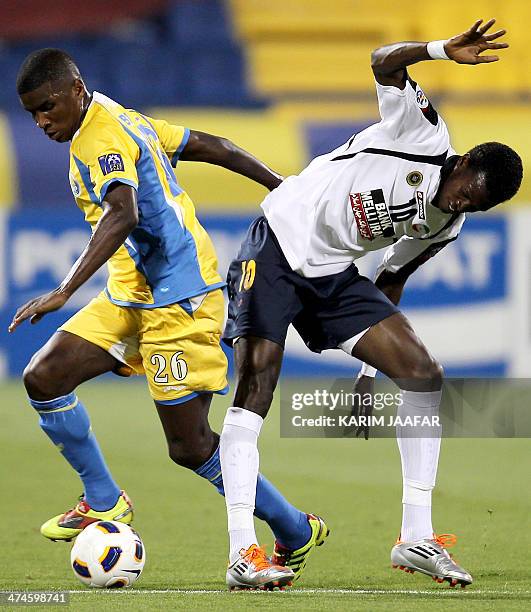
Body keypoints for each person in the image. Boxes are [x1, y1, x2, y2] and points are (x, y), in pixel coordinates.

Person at [220, 18, 523, 589]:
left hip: (333, 273)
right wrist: (439, 51)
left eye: (475, 206)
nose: (462, 202)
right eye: (466, 190)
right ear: (461, 164)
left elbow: (390, 279)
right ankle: (242, 552)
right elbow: (383, 60)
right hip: (282, 241)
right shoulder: (423, 133)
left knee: (422, 372)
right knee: (257, 383)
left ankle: (415, 536)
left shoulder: (446, 223)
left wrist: (365, 370)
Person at [10, 49, 328, 590]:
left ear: (75, 89)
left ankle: (294, 527)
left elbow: (122, 212)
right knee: (45, 376)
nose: (42, 122)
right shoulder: (118, 115)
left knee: (189, 446)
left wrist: (65, 289)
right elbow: (209, 144)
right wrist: (277, 182)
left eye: (48, 108)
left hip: (180, 299)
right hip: (131, 293)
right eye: (33, 114)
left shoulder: (102, 136)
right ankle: (105, 502)